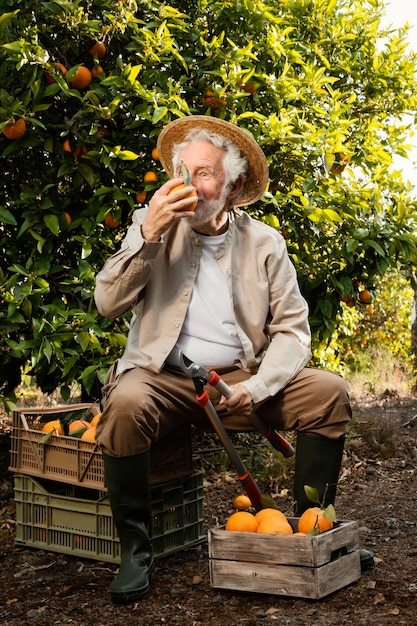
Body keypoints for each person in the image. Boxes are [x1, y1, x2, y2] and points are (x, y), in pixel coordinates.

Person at [94, 115, 368, 605]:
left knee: (328, 393)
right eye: (184, 172)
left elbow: (291, 330)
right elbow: (108, 303)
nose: (191, 185)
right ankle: (136, 551)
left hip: (240, 378)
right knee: (125, 403)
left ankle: (315, 530)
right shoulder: (149, 225)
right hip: (165, 377)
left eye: (205, 174)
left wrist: (258, 387)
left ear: (235, 186)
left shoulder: (265, 243)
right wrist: (149, 234)